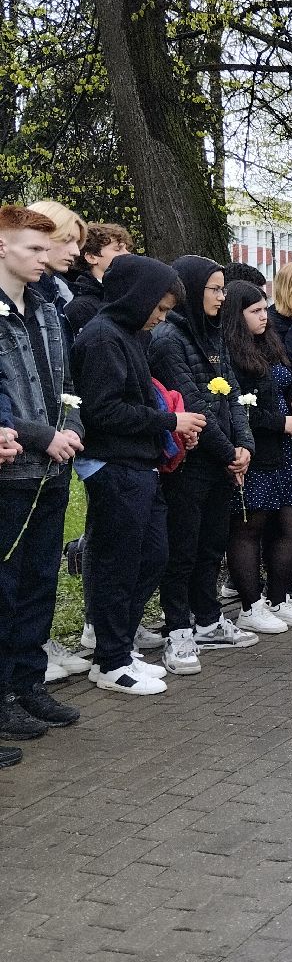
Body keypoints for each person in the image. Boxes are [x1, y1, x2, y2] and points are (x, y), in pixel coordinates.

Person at [72, 254, 207, 694]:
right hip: (115, 465)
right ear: (138, 297)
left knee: (152, 555)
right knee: (117, 564)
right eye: (159, 308)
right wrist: (169, 423)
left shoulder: (128, 335)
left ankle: (119, 646)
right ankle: (110, 660)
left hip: (140, 463)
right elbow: (104, 410)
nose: (161, 318)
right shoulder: (102, 338)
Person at [148, 256, 258, 671]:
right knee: (184, 547)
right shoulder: (169, 340)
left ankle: (209, 619)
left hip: (222, 459)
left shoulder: (215, 337)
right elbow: (191, 402)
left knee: (212, 543)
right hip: (192, 461)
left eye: (222, 288)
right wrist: (228, 451)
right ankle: (177, 627)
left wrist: (243, 444)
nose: (221, 296)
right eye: (214, 289)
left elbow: (231, 395)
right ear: (193, 291)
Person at [0, 206, 85, 739]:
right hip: (12, 473)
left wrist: (70, 425)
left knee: (38, 582)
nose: (44, 259)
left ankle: (27, 684)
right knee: (6, 587)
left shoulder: (47, 306)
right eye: (33, 249)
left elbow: (65, 378)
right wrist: (39, 436)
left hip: (52, 470)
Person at [220, 282, 292, 636]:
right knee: (250, 527)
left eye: (265, 309)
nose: (264, 316)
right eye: (255, 311)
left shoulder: (269, 341)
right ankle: (251, 605)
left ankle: (279, 596)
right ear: (236, 315)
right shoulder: (229, 352)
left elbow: (283, 383)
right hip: (257, 450)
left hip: (288, 450)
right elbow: (235, 408)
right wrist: (279, 420)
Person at [62, 222, 132, 337]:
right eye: (118, 249)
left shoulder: (125, 296)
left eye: (127, 248)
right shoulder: (81, 308)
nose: (128, 254)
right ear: (91, 257)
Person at [28, 201, 85, 316]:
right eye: (66, 240)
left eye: (77, 243)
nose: (76, 252)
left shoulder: (64, 294)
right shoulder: (15, 295)